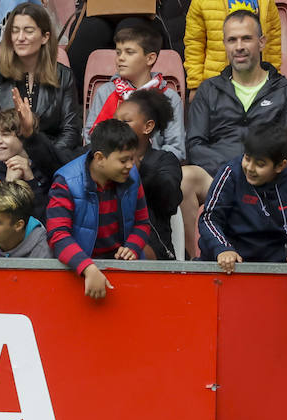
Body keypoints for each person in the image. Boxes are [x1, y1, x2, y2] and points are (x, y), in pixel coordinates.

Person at [181, 8, 287, 254]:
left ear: (261, 42)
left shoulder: (285, 90)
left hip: (270, 179)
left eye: (246, 38)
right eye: (232, 40)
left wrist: (258, 169)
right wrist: (232, 172)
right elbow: (195, 145)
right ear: (224, 44)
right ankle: (195, 262)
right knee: (185, 177)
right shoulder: (208, 90)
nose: (239, 46)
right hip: (217, 178)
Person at [0, 2, 80, 186]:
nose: (20, 37)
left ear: (45, 37)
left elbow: (70, 132)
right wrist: (11, 160)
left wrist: (36, 161)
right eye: (14, 31)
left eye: (28, 31)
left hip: (46, 164)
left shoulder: (63, 76)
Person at [46, 119, 154, 300]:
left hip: (125, 270)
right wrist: (87, 267)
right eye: (123, 160)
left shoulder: (131, 176)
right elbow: (58, 236)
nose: (130, 165)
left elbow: (142, 223)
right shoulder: (66, 183)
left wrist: (133, 247)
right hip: (79, 271)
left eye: (132, 158)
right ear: (99, 158)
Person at [199, 125, 287, 270]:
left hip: (275, 266)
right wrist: (222, 248)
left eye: (260, 164)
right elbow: (209, 218)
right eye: (247, 158)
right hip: (229, 263)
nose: (250, 168)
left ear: (280, 166)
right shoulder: (231, 173)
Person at [86, 22, 185, 161]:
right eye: (118, 52)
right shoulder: (106, 92)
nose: (120, 58)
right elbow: (91, 137)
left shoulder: (168, 97)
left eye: (129, 52)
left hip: (153, 168)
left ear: (150, 58)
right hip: (109, 167)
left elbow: (175, 147)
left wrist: (147, 164)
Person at [115, 89, 183, 257]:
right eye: (115, 121)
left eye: (126, 121)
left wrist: (140, 170)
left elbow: (169, 200)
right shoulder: (102, 157)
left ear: (148, 126)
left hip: (153, 245)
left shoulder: (165, 160)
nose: (117, 127)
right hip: (113, 241)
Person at [0, 107, 60, 223]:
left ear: (23, 137)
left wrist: (30, 180)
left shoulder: (45, 169)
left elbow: (44, 221)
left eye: (5, 134)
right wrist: (8, 185)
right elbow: (0, 224)